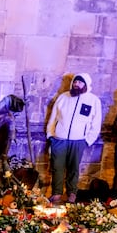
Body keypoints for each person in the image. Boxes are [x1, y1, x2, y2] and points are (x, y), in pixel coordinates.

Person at [44, 72, 102, 203]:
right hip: (59, 140)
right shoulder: (63, 97)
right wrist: (51, 135)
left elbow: (96, 123)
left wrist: (87, 141)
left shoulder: (93, 101)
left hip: (78, 141)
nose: (77, 84)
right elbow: (53, 118)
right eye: (75, 82)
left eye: (80, 82)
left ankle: (71, 193)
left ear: (86, 84)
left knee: (74, 168)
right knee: (57, 167)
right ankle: (57, 193)